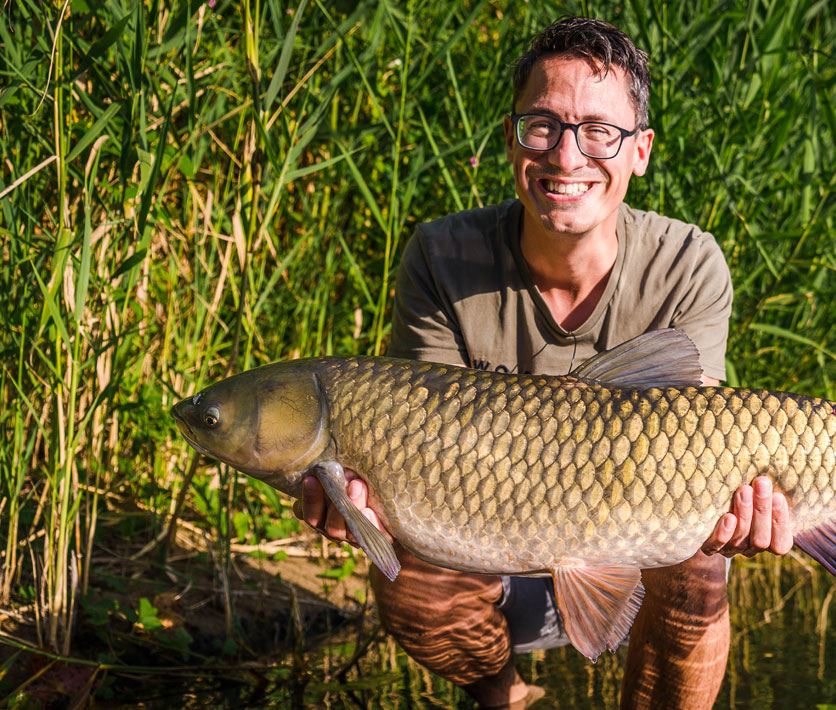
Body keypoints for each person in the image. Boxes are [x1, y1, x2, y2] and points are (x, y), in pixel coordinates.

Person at [295, 17, 793, 709]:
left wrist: (746, 511)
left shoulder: (687, 262)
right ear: (511, 138)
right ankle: (504, 695)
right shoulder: (441, 255)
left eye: (599, 131)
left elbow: (699, 448)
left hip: (638, 563)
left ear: (640, 151)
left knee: (699, 564)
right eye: (543, 126)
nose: (566, 155)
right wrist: (358, 500)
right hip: (485, 561)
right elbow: (411, 447)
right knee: (408, 570)